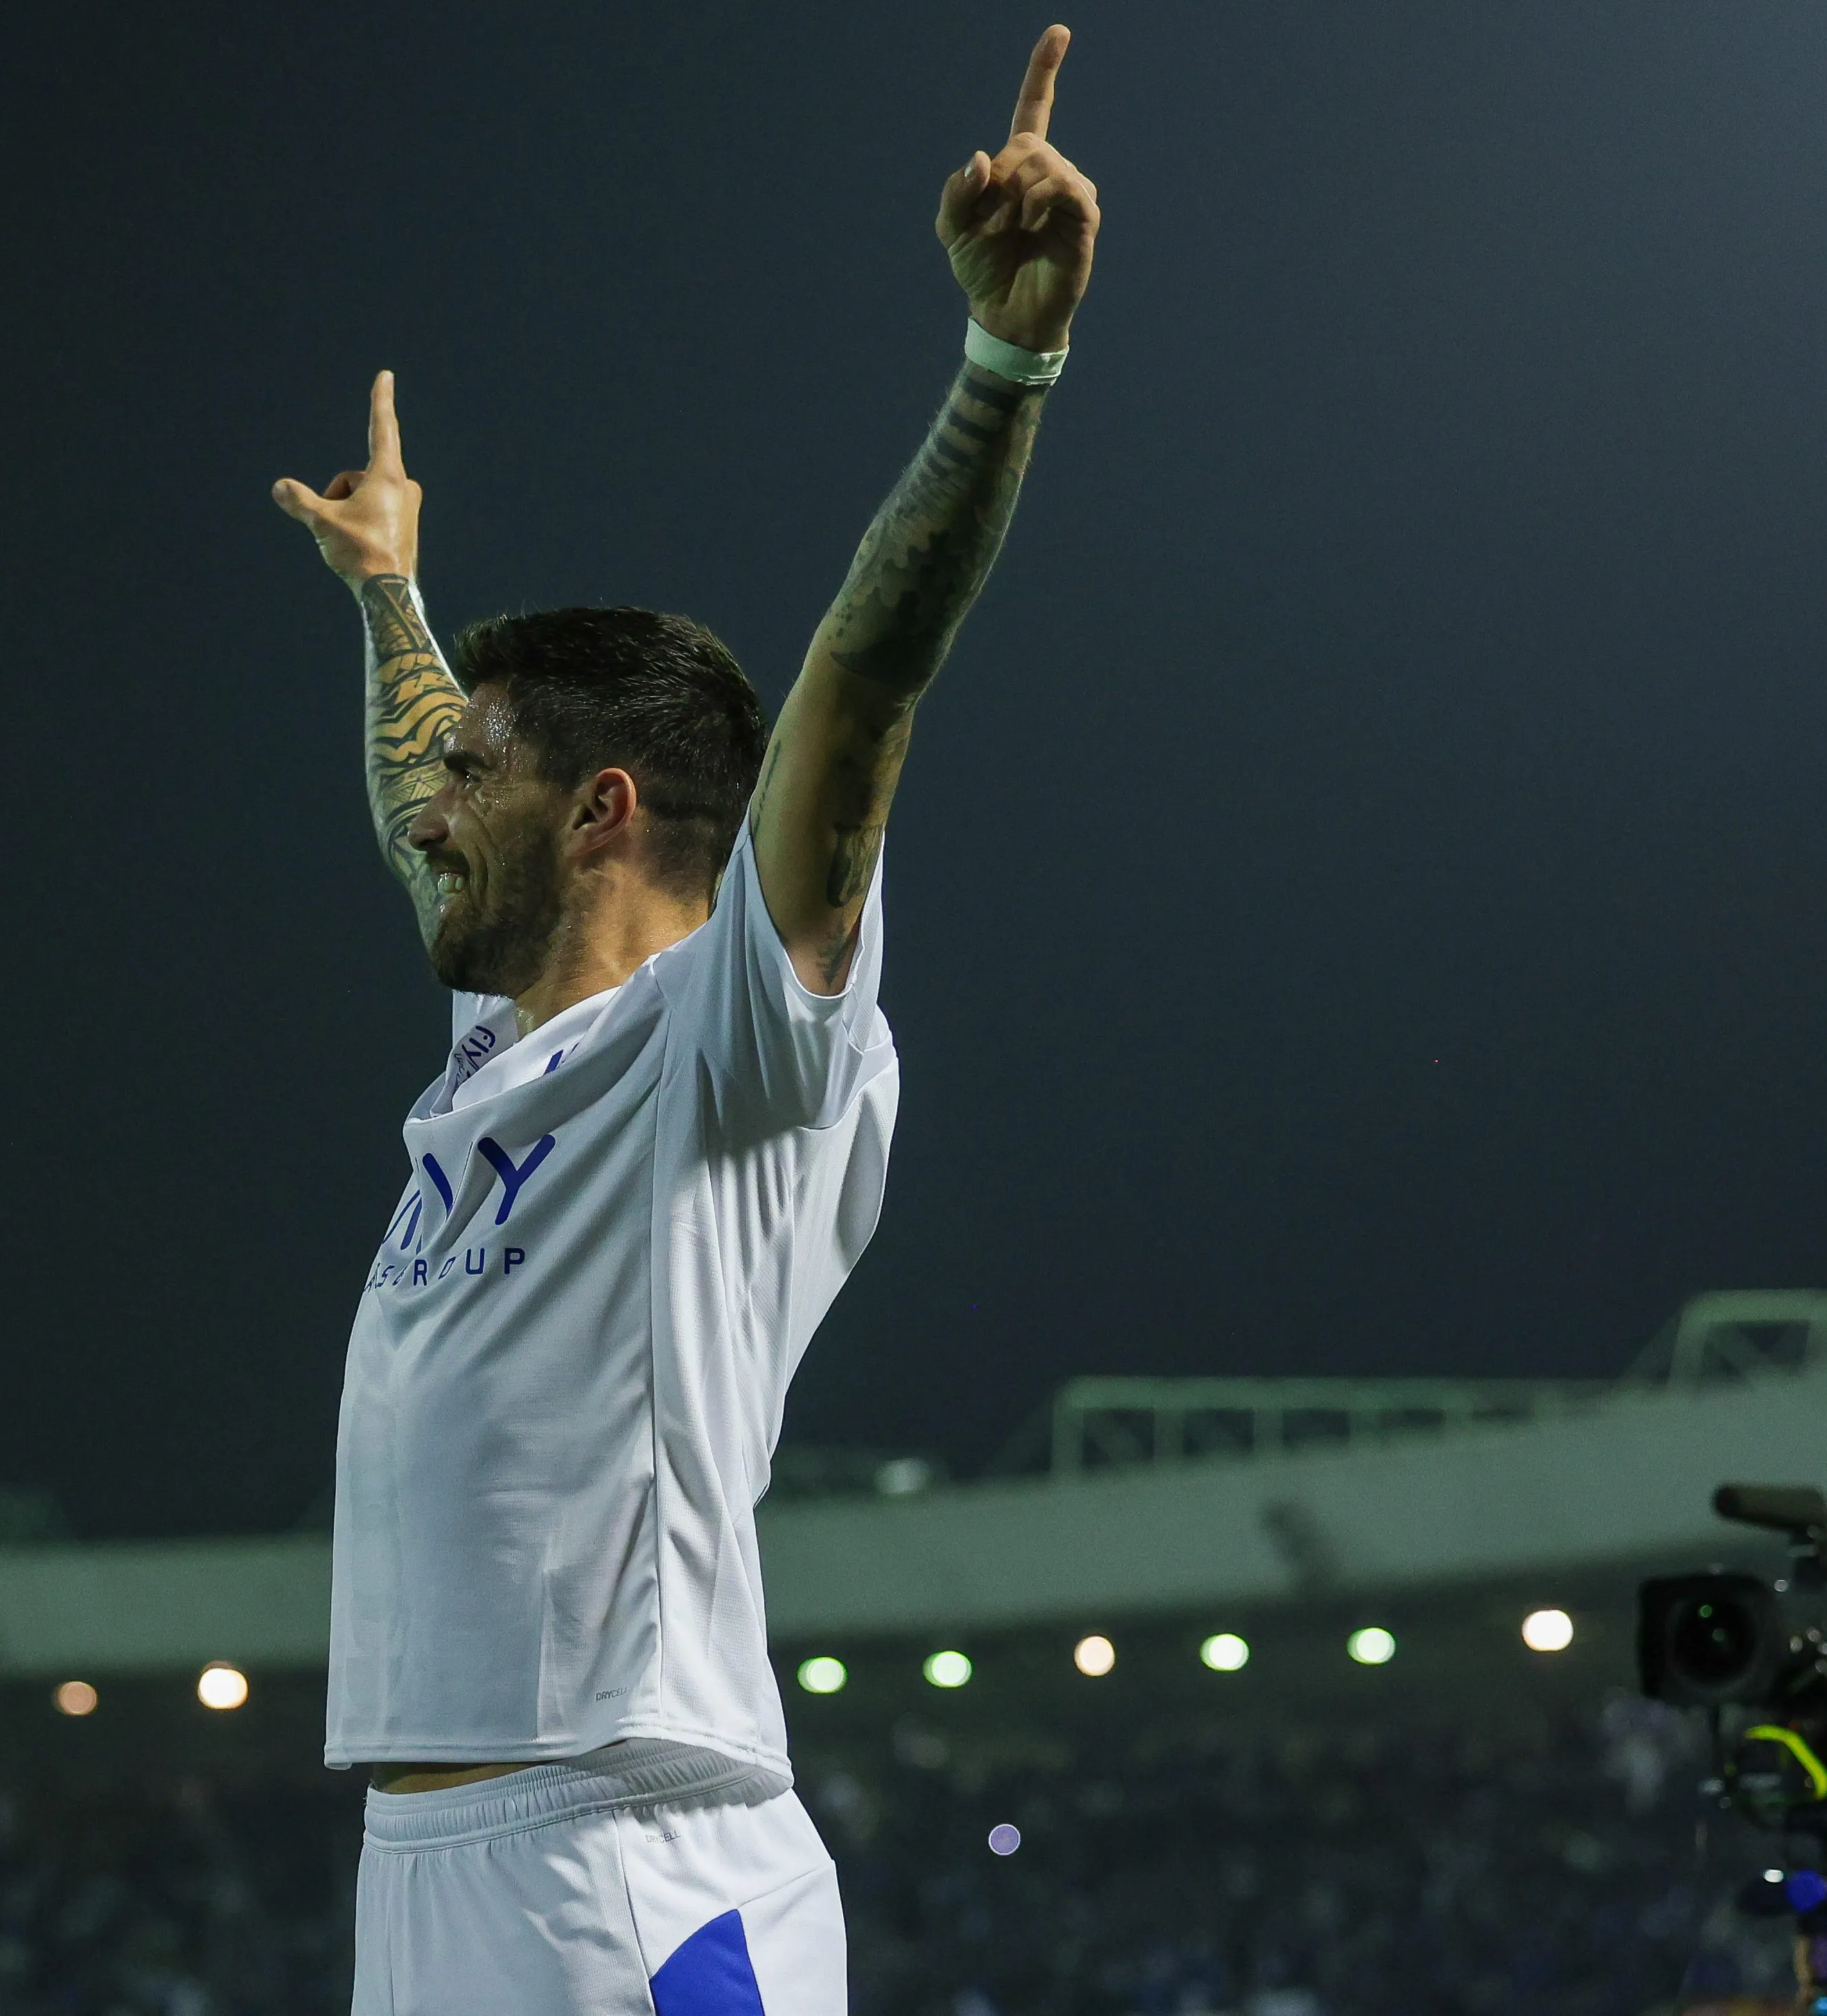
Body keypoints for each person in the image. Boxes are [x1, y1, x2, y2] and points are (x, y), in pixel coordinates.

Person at [265, 25, 1102, 2016]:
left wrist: (1003, 366)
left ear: (603, 811)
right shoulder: (504, 1055)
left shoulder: (729, 1043)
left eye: (474, 770)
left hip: (629, 1857)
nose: (424, 810)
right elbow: (410, 807)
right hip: (433, 1863)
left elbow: (868, 672)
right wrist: (391, 601)